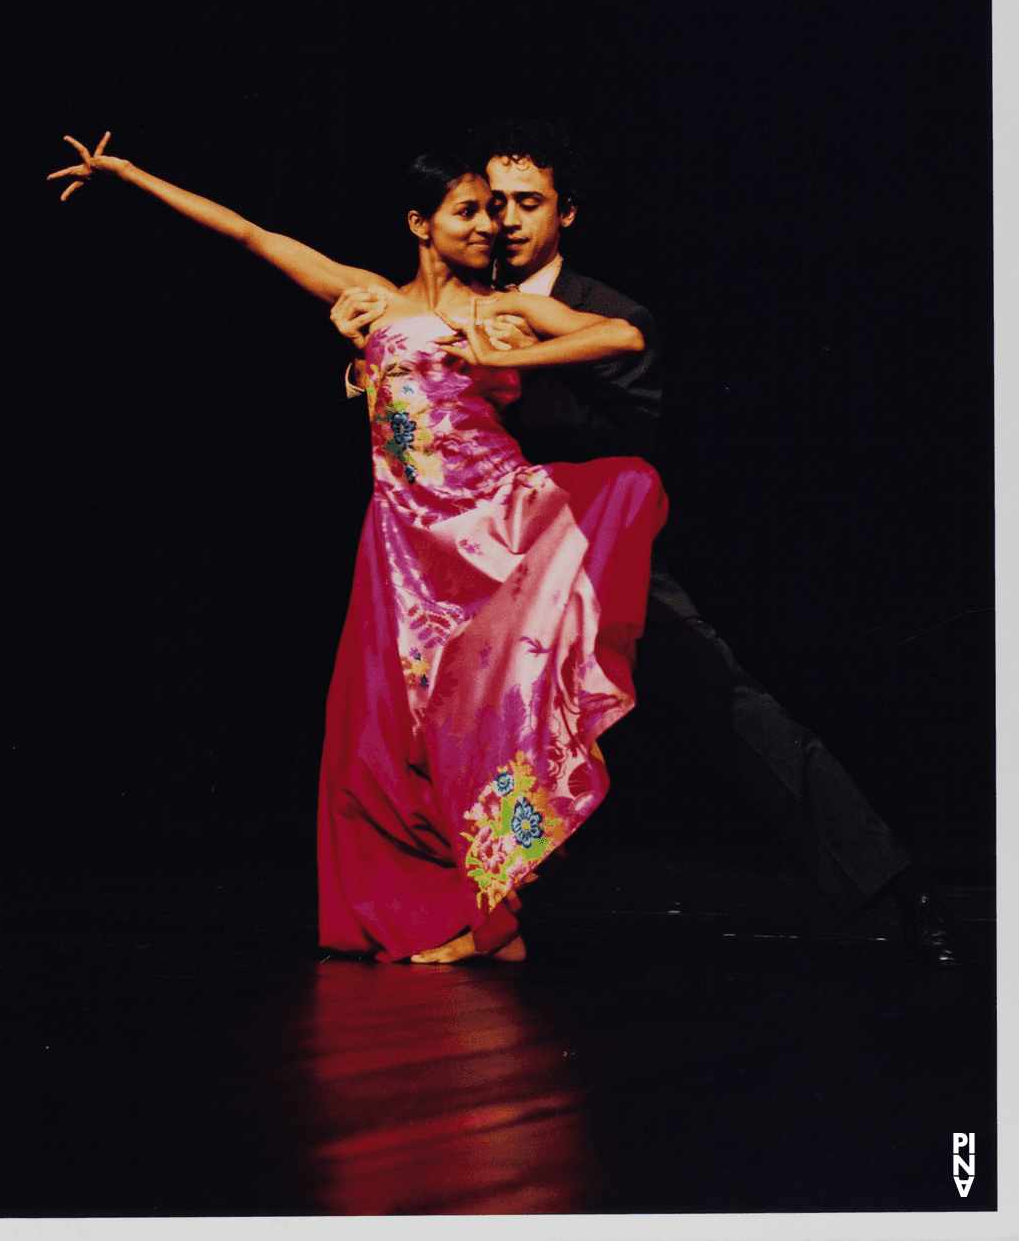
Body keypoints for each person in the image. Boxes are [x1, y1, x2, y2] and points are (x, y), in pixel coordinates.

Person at [332, 118, 963, 965]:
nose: (505, 222)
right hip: (481, 565)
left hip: (586, 551)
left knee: (734, 708)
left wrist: (511, 364)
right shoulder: (437, 303)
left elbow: (631, 431)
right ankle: (469, 916)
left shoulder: (598, 310)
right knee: (432, 722)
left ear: (566, 214)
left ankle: (902, 891)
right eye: (493, 203)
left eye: (529, 204)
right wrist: (380, 345)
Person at [47, 134, 667, 964]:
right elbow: (247, 234)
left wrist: (498, 349)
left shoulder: (502, 309)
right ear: (421, 222)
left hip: (492, 524)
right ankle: (447, 910)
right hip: (404, 540)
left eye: (494, 211)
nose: (488, 226)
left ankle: (495, 911)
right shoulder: (370, 299)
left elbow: (621, 339)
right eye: (469, 211)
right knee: (387, 740)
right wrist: (130, 177)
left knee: (491, 716)